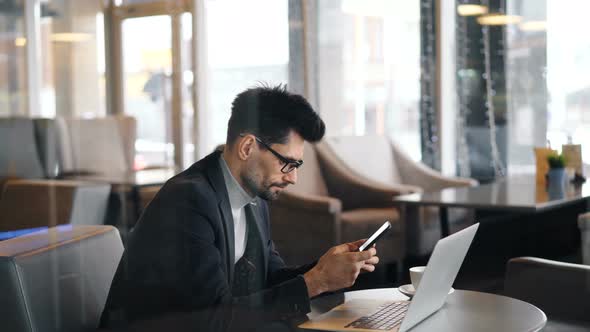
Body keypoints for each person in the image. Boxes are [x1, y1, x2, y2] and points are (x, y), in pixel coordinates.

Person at [100, 84, 379, 332]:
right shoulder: (189, 200)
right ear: (247, 147)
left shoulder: (252, 197)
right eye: (288, 163)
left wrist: (325, 268)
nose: (292, 177)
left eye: (297, 166)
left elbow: (268, 280)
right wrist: (316, 281)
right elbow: (211, 319)